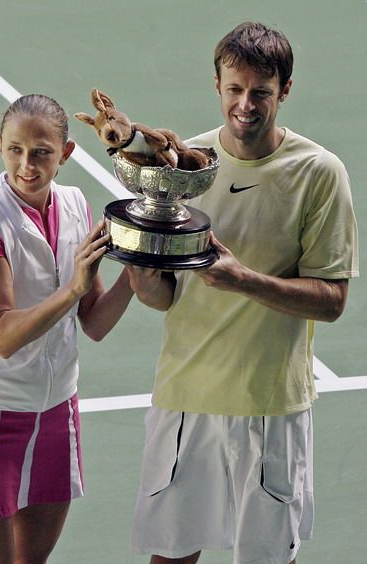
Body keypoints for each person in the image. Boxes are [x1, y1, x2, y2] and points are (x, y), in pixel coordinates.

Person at [127, 21, 359, 564]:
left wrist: (242, 279)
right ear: (217, 86)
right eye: (235, 89)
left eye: (261, 91)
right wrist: (140, 267)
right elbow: (164, 298)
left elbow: (332, 300)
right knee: (170, 555)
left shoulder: (319, 173)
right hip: (186, 398)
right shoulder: (188, 167)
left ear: (285, 90)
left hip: (270, 404)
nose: (246, 103)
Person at [0, 94, 134, 563]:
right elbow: (2, 335)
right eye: (15, 150)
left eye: (42, 152)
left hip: (55, 413)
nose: (27, 164)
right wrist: (71, 290)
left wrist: (137, 269)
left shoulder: (74, 205)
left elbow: (95, 323)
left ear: (65, 153)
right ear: (0, 145)